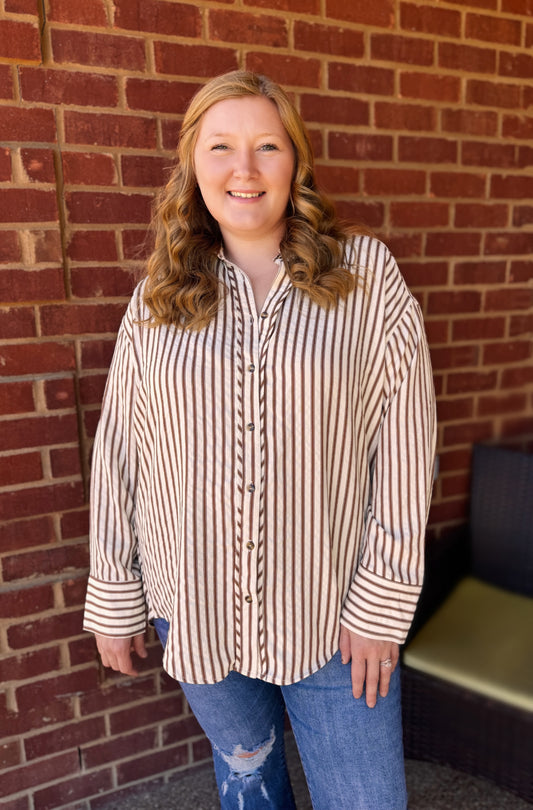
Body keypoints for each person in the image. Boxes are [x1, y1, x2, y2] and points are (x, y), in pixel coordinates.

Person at [84, 70, 436, 810]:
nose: (242, 169)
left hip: (335, 613)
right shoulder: (159, 294)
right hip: (197, 605)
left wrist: (381, 605)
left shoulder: (365, 278)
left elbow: (404, 448)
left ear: (293, 163)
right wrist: (116, 592)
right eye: (220, 147)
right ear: (193, 165)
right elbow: (122, 449)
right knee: (249, 776)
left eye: (265, 146)